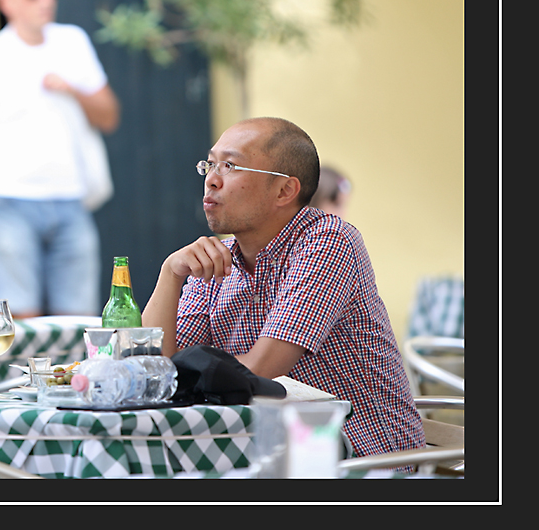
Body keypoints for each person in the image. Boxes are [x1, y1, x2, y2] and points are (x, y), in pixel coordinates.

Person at [142, 117, 425, 460]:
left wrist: (187, 375)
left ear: (284, 190)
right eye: (210, 164)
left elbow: (262, 368)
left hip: (359, 451)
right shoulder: (219, 259)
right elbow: (152, 373)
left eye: (230, 166)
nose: (211, 181)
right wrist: (170, 273)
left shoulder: (328, 241)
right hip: (259, 439)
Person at [0, 0, 120, 318]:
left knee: (78, 321)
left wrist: (72, 89)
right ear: (6, 3)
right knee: (17, 319)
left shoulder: (73, 43)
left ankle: (73, 379)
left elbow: (109, 116)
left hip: (71, 201)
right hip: (6, 204)